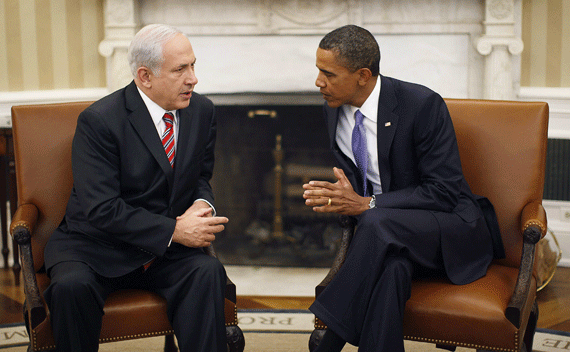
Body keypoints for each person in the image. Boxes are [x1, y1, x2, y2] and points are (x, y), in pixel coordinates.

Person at [302, 25, 498, 352]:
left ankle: (328, 339)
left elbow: (444, 192)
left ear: (363, 75)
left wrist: (368, 204)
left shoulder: (421, 105)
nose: (318, 82)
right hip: (388, 238)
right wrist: (343, 198)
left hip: (448, 227)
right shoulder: (332, 107)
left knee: (377, 222)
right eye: (318, 71)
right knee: (392, 269)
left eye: (328, 74)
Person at [43, 24, 229, 352]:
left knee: (207, 270)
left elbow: (201, 176)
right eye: (180, 69)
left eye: (193, 65)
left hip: (162, 252)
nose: (193, 78)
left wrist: (203, 204)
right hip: (95, 246)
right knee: (71, 287)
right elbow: (101, 209)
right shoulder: (99, 121)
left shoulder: (202, 111)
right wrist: (175, 229)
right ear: (145, 76)